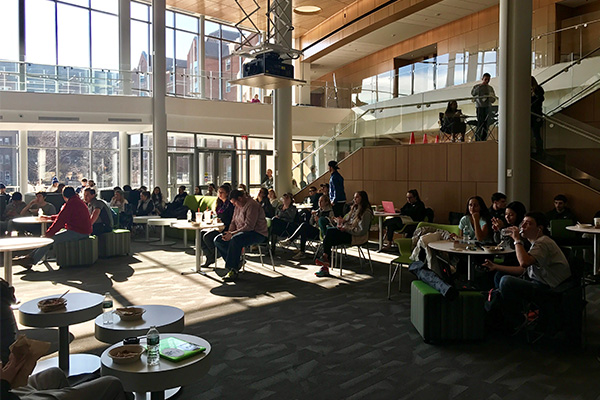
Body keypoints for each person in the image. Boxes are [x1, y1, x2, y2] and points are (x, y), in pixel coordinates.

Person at [482, 212, 571, 330]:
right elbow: (522, 270)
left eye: (528, 224)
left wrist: (517, 240)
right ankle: (507, 317)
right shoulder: (534, 243)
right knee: (499, 275)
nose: (522, 227)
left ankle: (517, 319)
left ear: (539, 228)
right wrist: (495, 266)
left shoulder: (543, 242)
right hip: (538, 281)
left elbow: (524, 263)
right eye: (522, 223)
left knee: (506, 281)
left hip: (550, 288)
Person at [14, 187, 92, 268]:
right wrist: (49, 218)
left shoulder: (71, 204)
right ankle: (30, 258)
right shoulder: (76, 202)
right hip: (81, 231)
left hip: (79, 232)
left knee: (49, 240)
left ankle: (31, 260)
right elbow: (63, 217)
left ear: (64, 195)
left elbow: (60, 221)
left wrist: (48, 234)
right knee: (49, 238)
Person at [214, 190, 268, 282]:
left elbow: (249, 227)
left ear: (240, 198)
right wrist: (229, 233)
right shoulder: (238, 206)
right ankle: (236, 262)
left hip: (257, 233)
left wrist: (232, 234)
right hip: (240, 232)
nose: (234, 205)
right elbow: (233, 222)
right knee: (218, 240)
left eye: (234, 202)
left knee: (236, 240)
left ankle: (233, 269)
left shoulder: (252, 205)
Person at [315, 191, 374, 277]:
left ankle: (325, 262)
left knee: (330, 234)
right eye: (354, 197)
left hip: (356, 236)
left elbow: (361, 231)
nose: (354, 199)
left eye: (357, 197)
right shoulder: (354, 209)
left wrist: (346, 229)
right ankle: (325, 261)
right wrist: (341, 221)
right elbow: (348, 220)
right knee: (329, 236)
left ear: (363, 199)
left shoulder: (366, 212)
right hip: (348, 232)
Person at [281, 194, 333, 260]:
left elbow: (330, 223)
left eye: (321, 201)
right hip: (314, 230)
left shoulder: (329, 212)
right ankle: (301, 251)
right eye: (319, 201)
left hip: (321, 232)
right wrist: (312, 217)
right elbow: (311, 223)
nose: (319, 203)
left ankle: (291, 240)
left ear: (326, 202)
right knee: (304, 229)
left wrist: (319, 220)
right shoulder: (318, 211)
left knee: (304, 226)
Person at [200, 185, 234, 269]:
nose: (220, 194)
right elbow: (217, 215)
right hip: (217, 226)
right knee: (200, 234)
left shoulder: (230, 205)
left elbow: (231, 218)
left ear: (227, 193)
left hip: (225, 227)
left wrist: (221, 221)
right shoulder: (219, 204)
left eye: (222, 192)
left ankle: (215, 253)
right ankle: (210, 255)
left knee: (207, 236)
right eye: (219, 192)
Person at [471, 72, 496, 141]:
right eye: (485, 79)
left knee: (486, 124)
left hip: (487, 107)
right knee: (480, 122)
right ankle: (478, 138)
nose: (487, 81)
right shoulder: (477, 87)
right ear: (482, 79)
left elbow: (493, 99)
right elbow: (473, 93)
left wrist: (490, 97)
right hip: (479, 107)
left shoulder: (490, 88)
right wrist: (480, 87)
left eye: (488, 80)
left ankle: (484, 138)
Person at [531, 76, 545, 155]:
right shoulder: (526, 90)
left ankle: (539, 151)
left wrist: (534, 94)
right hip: (530, 114)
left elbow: (541, 99)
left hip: (536, 114)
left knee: (536, 134)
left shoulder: (538, 89)